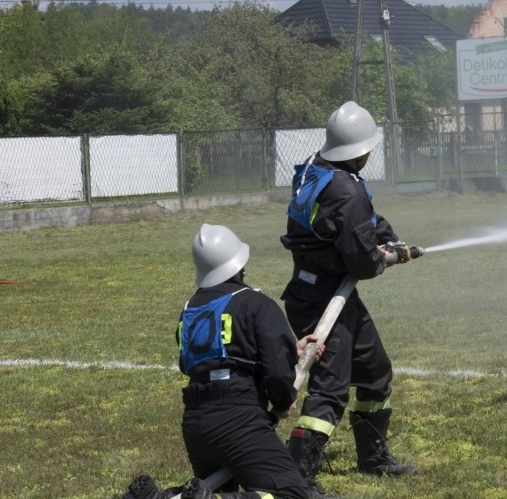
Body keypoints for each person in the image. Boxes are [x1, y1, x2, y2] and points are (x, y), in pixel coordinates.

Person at [121, 223, 325, 499]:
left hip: (196, 420)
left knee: (211, 489)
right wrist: (281, 400)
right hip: (238, 419)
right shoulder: (256, 304)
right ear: (240, 265)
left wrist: (293, 353)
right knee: (293, 494)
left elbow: (211, 359)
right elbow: (277, 374)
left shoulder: (189, 309)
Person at [280, 101, 418, 496]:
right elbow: (361, 260)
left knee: (374, 369)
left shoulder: (318, 167)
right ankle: (299, 479)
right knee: (330, 389)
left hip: (324, 290)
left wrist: (387, 239)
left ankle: (373, 457)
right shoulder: (344, 188)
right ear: (359, 150)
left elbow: (358, 223)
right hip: (324, 297)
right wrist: (386, 257)